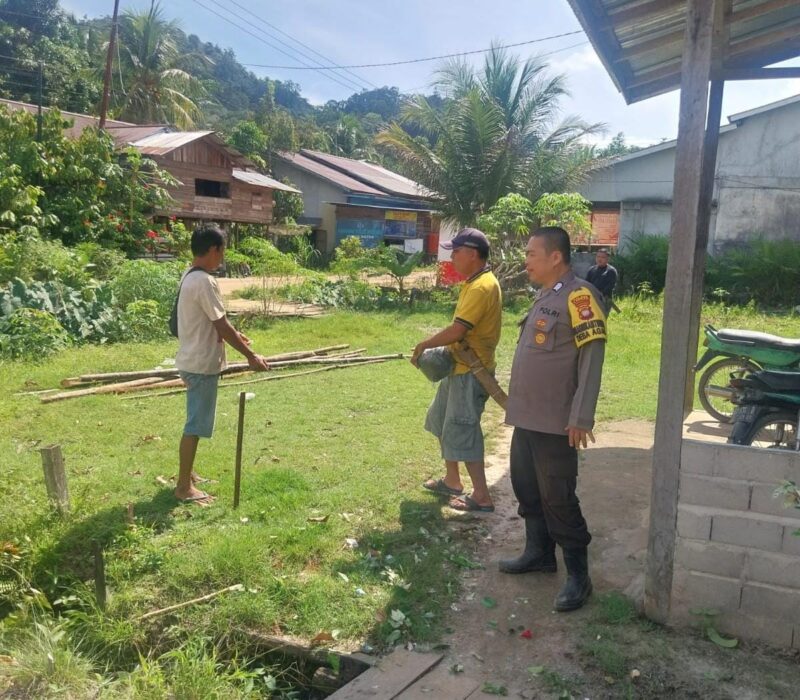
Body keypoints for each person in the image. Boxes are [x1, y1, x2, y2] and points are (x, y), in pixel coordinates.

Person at [500, 226, 607, 612]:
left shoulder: (580, 296)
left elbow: (591, 357)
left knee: (558, 496)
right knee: (526, 487)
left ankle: (579, 577)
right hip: (528, 417)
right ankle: (539, 554)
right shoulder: (546, 295)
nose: (525, 260)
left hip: (557, 421)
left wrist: (581, 416)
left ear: (555, 257)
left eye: (531, 254)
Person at [174, 224, 270, 504]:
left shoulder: (190, 275)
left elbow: (213, 322)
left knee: (195, 421)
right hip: (201, 363)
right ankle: (183, 488)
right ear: (214, 249)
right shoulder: (203, 280)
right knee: (195, 424)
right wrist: (251, 357)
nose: (222, 257)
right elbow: (221, 324)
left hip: (191, 357)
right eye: (222, 251)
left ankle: (188, 475)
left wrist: (235, 335)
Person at [411, 228, 502, 512]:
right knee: (440, 421)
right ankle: (452, 480)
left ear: (473, 254)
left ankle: (482, 496)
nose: (452, 257)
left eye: (456, 252)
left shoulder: (482, 286)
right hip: (457, 366)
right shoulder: (473, 282)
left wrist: (425, 344)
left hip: (471, 372)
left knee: (464, 430)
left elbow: (458, 330)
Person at [585, 248, 618, 313]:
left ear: (608, 259)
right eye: (598, 256)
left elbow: (610, 287)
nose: (599, 259)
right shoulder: (591, 269)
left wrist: (597, 295)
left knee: (602, 321)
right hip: (591, 300)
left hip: (604, 300)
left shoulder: (611, 271)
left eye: (603, 257)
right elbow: (586, 284)